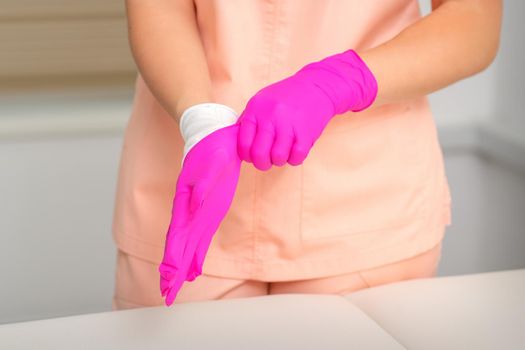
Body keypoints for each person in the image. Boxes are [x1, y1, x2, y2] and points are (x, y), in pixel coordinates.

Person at [111, 0, 502, 310]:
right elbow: (159, 7)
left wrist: (341, 82)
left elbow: (472, 17)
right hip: (192, 179)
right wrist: (200, 119)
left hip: (364, 201)